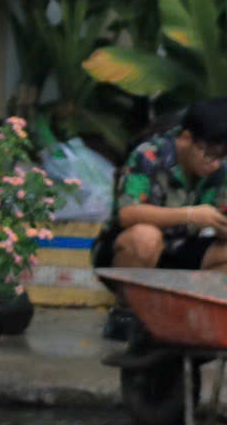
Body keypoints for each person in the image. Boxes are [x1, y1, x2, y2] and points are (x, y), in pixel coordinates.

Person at [94, 98, 227, 340]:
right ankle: (126, 313)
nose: (214, 163)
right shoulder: (150, 155)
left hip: (178, 251)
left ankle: (188, 315)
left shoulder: (220, 171)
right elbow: (127, 213)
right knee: (145, 237)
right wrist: (190, 214)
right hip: (125, 252)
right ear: (186, 138)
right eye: (208, 154)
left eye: (221, 156)